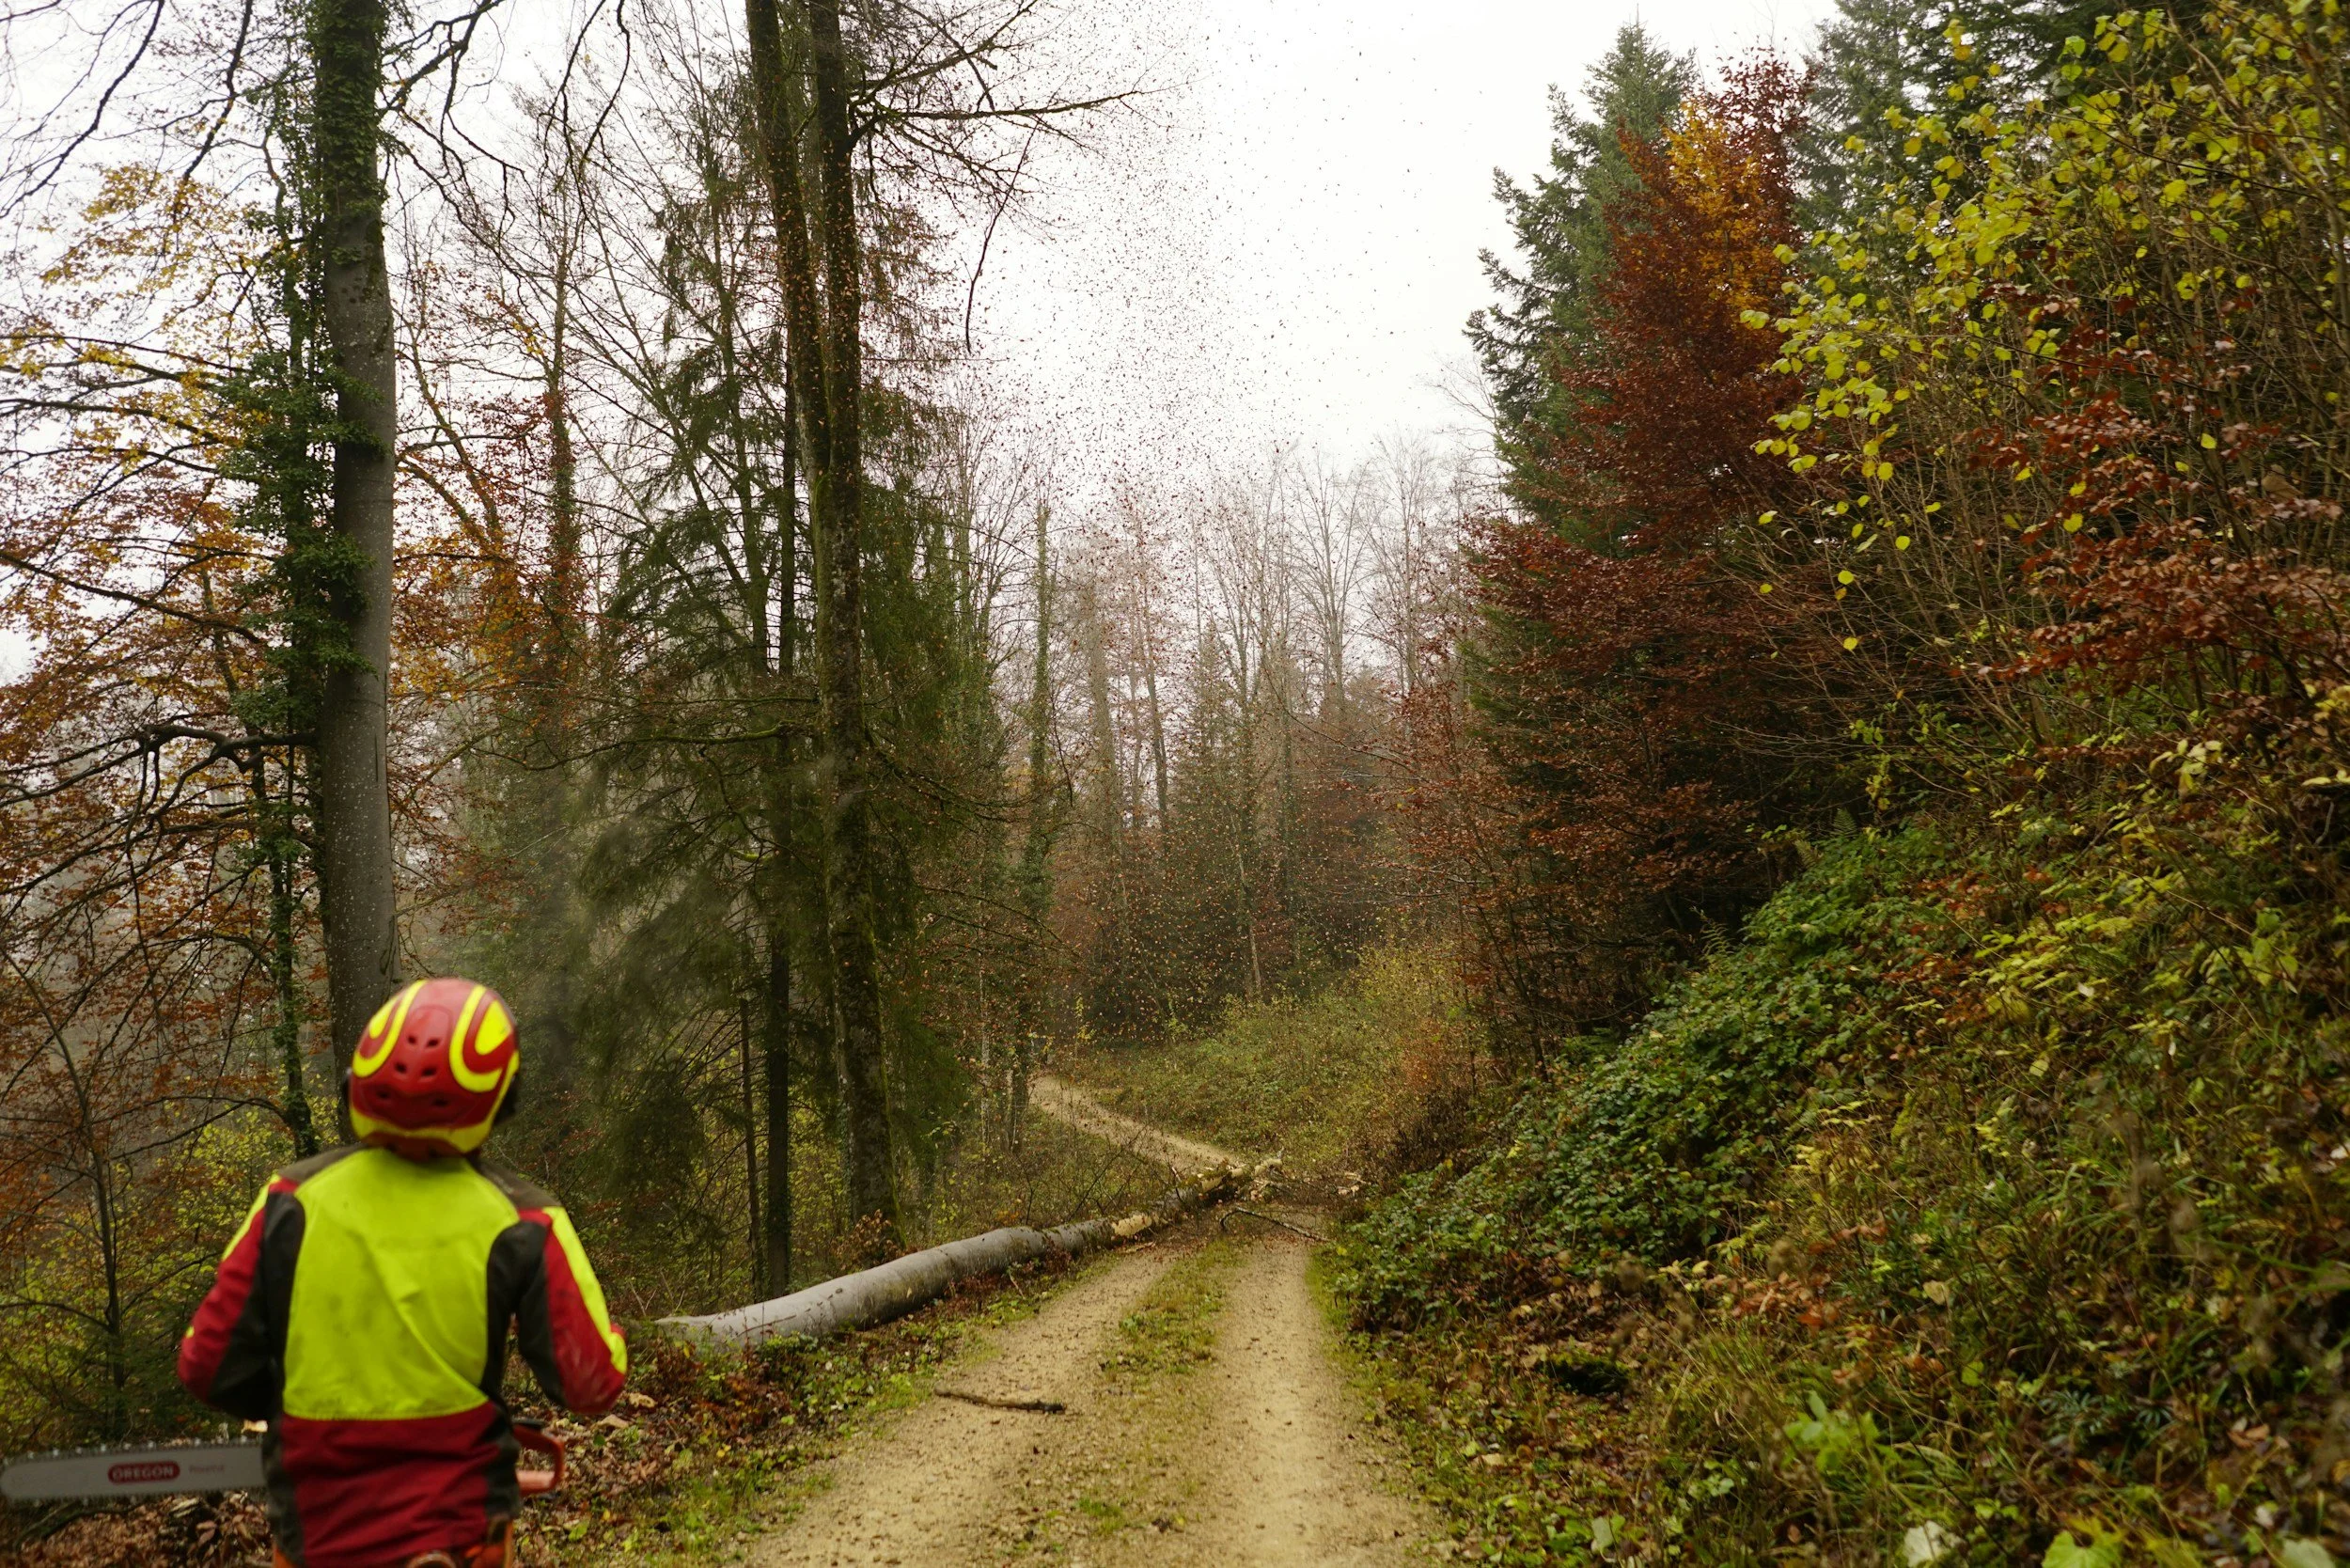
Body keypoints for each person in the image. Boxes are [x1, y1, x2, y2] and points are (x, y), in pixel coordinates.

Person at [179, 978, 628, 1568]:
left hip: (319, 1534)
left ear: (359, 1082)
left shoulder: (290, 1199)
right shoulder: (524, 1219)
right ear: (501, 1099)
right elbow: (590, 1383)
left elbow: (206, 1364)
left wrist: (292, 1406)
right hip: (460, 1530)